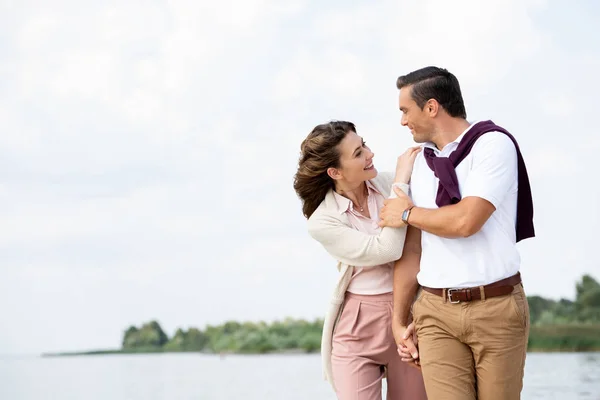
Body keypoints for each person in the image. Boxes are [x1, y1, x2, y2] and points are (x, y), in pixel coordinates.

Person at [379, 66, 535, 400]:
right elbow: (412, 250)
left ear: (431, 107)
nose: (403, 121)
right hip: (436, 312)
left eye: (406, 111)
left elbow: (467, 221)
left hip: (496, 306)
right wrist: (399, 319)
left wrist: (406, 212)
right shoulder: (419, 164)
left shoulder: (493, 145)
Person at [293, 121, 427, 400]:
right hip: (357, 325)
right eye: (358, 153)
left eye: (364, 144)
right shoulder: (322, 221)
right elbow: (386, 250)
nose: (370, 153)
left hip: (409, 315)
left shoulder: (388, 185)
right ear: (335, 172)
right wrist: (402, 182)